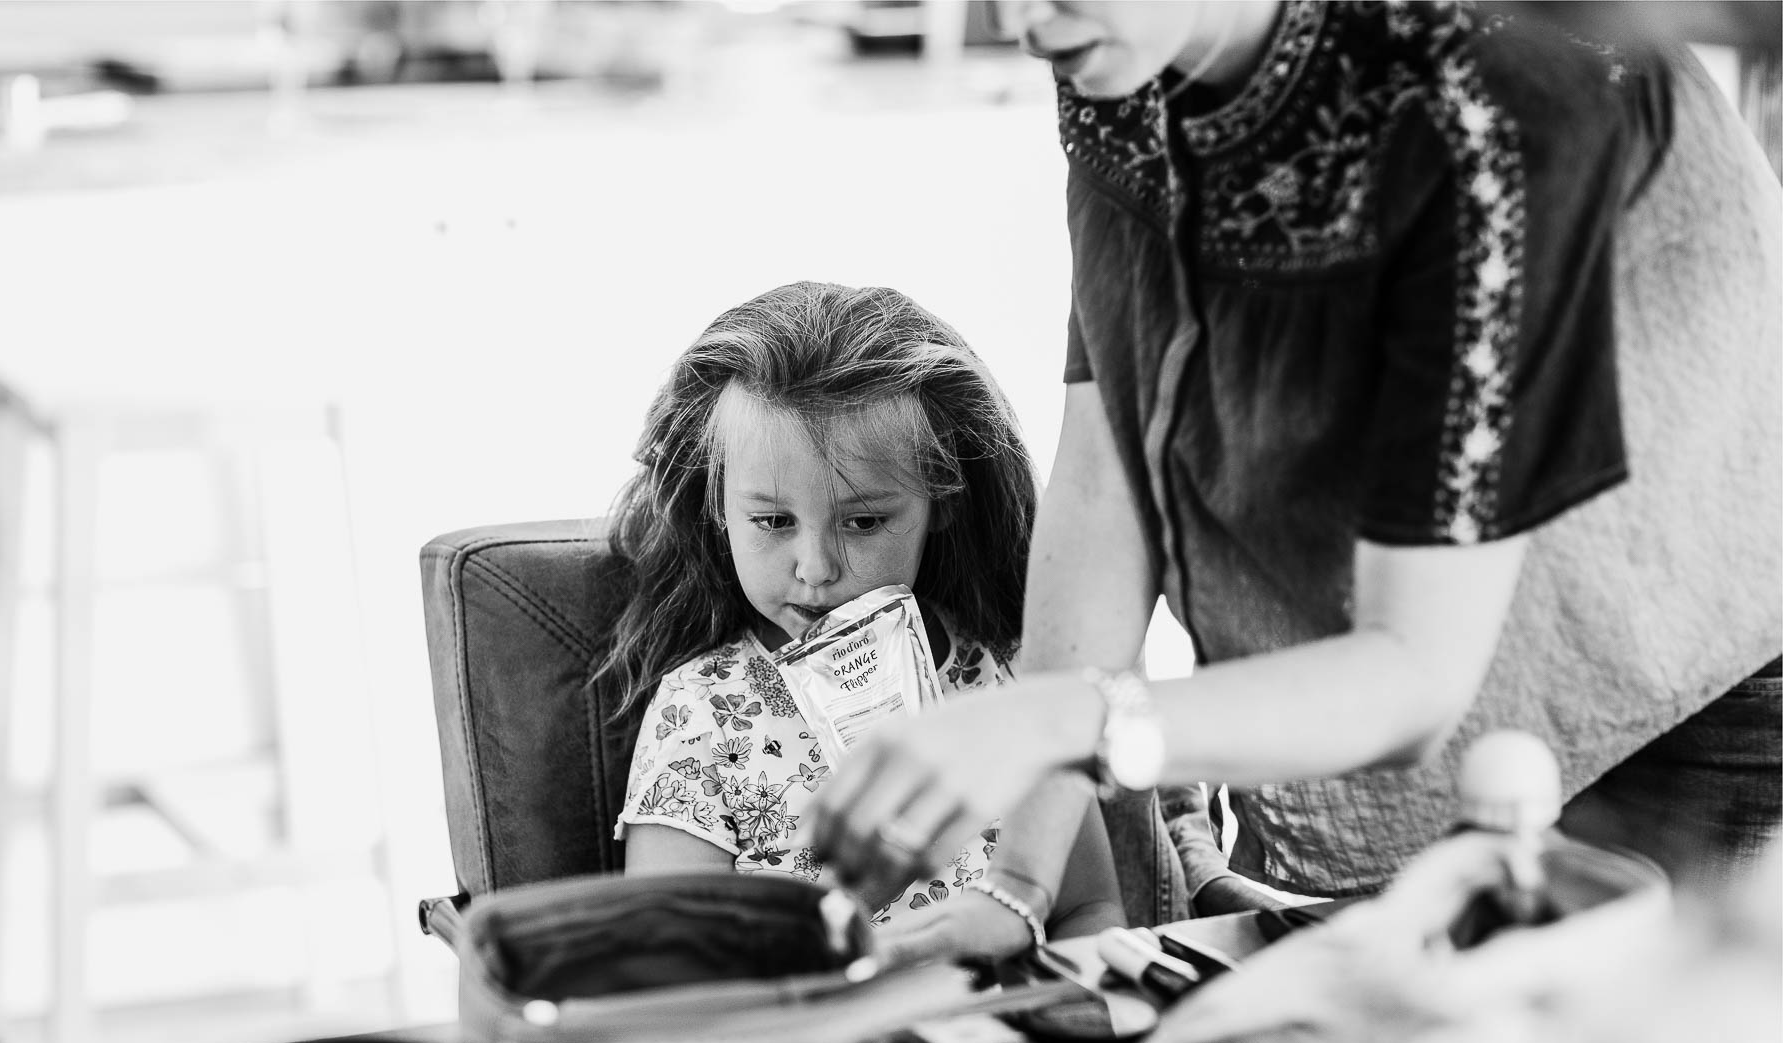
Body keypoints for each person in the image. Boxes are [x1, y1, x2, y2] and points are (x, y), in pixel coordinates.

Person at [809, 0, 1782, 913]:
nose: (1020, 23)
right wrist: (1017, 883)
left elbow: (1411, 676)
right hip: (1392, 687)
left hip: (1679, 682)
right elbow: (1109, 468)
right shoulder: (1126, 42)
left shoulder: (1495, 98)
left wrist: (1057, 721)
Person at [601, 280, 1125, 957]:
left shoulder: (1014, 677)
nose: (815, 567)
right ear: (716, 507)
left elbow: (1090, 906)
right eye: (772, 521)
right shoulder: (698, 713)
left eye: (865, 521)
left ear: (944, 504)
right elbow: (672, 965)